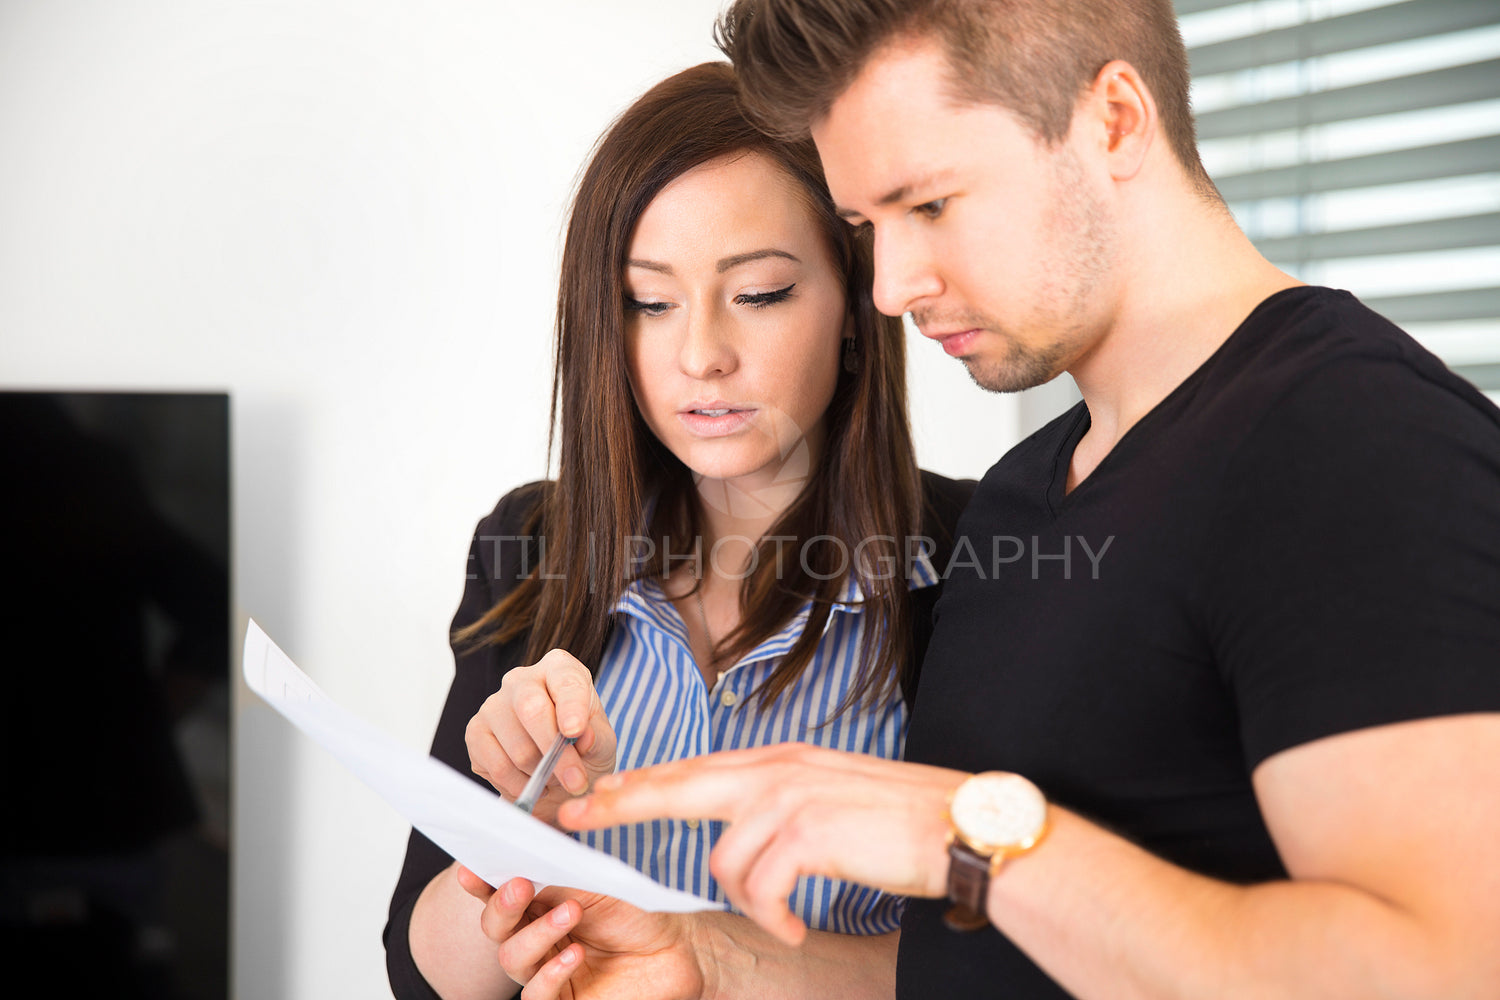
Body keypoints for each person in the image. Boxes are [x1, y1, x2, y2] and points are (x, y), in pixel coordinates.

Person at [559, 2, 1500, 998]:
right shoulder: (1021, 504)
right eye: (865, 226)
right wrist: (703, 956)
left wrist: (964, 831)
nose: (891, 287)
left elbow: (1447, 968)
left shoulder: (1353, 439)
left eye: (928, 206)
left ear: (1115, 121)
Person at [383, 60, 973, 1000]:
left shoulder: (978, 555)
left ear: (856, 305)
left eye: (762, 293)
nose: (701, 355)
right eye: (649, 304)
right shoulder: (531, 542)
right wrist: (519, 818)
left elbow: (1005, 957)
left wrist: (716, 957)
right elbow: (426, 973)